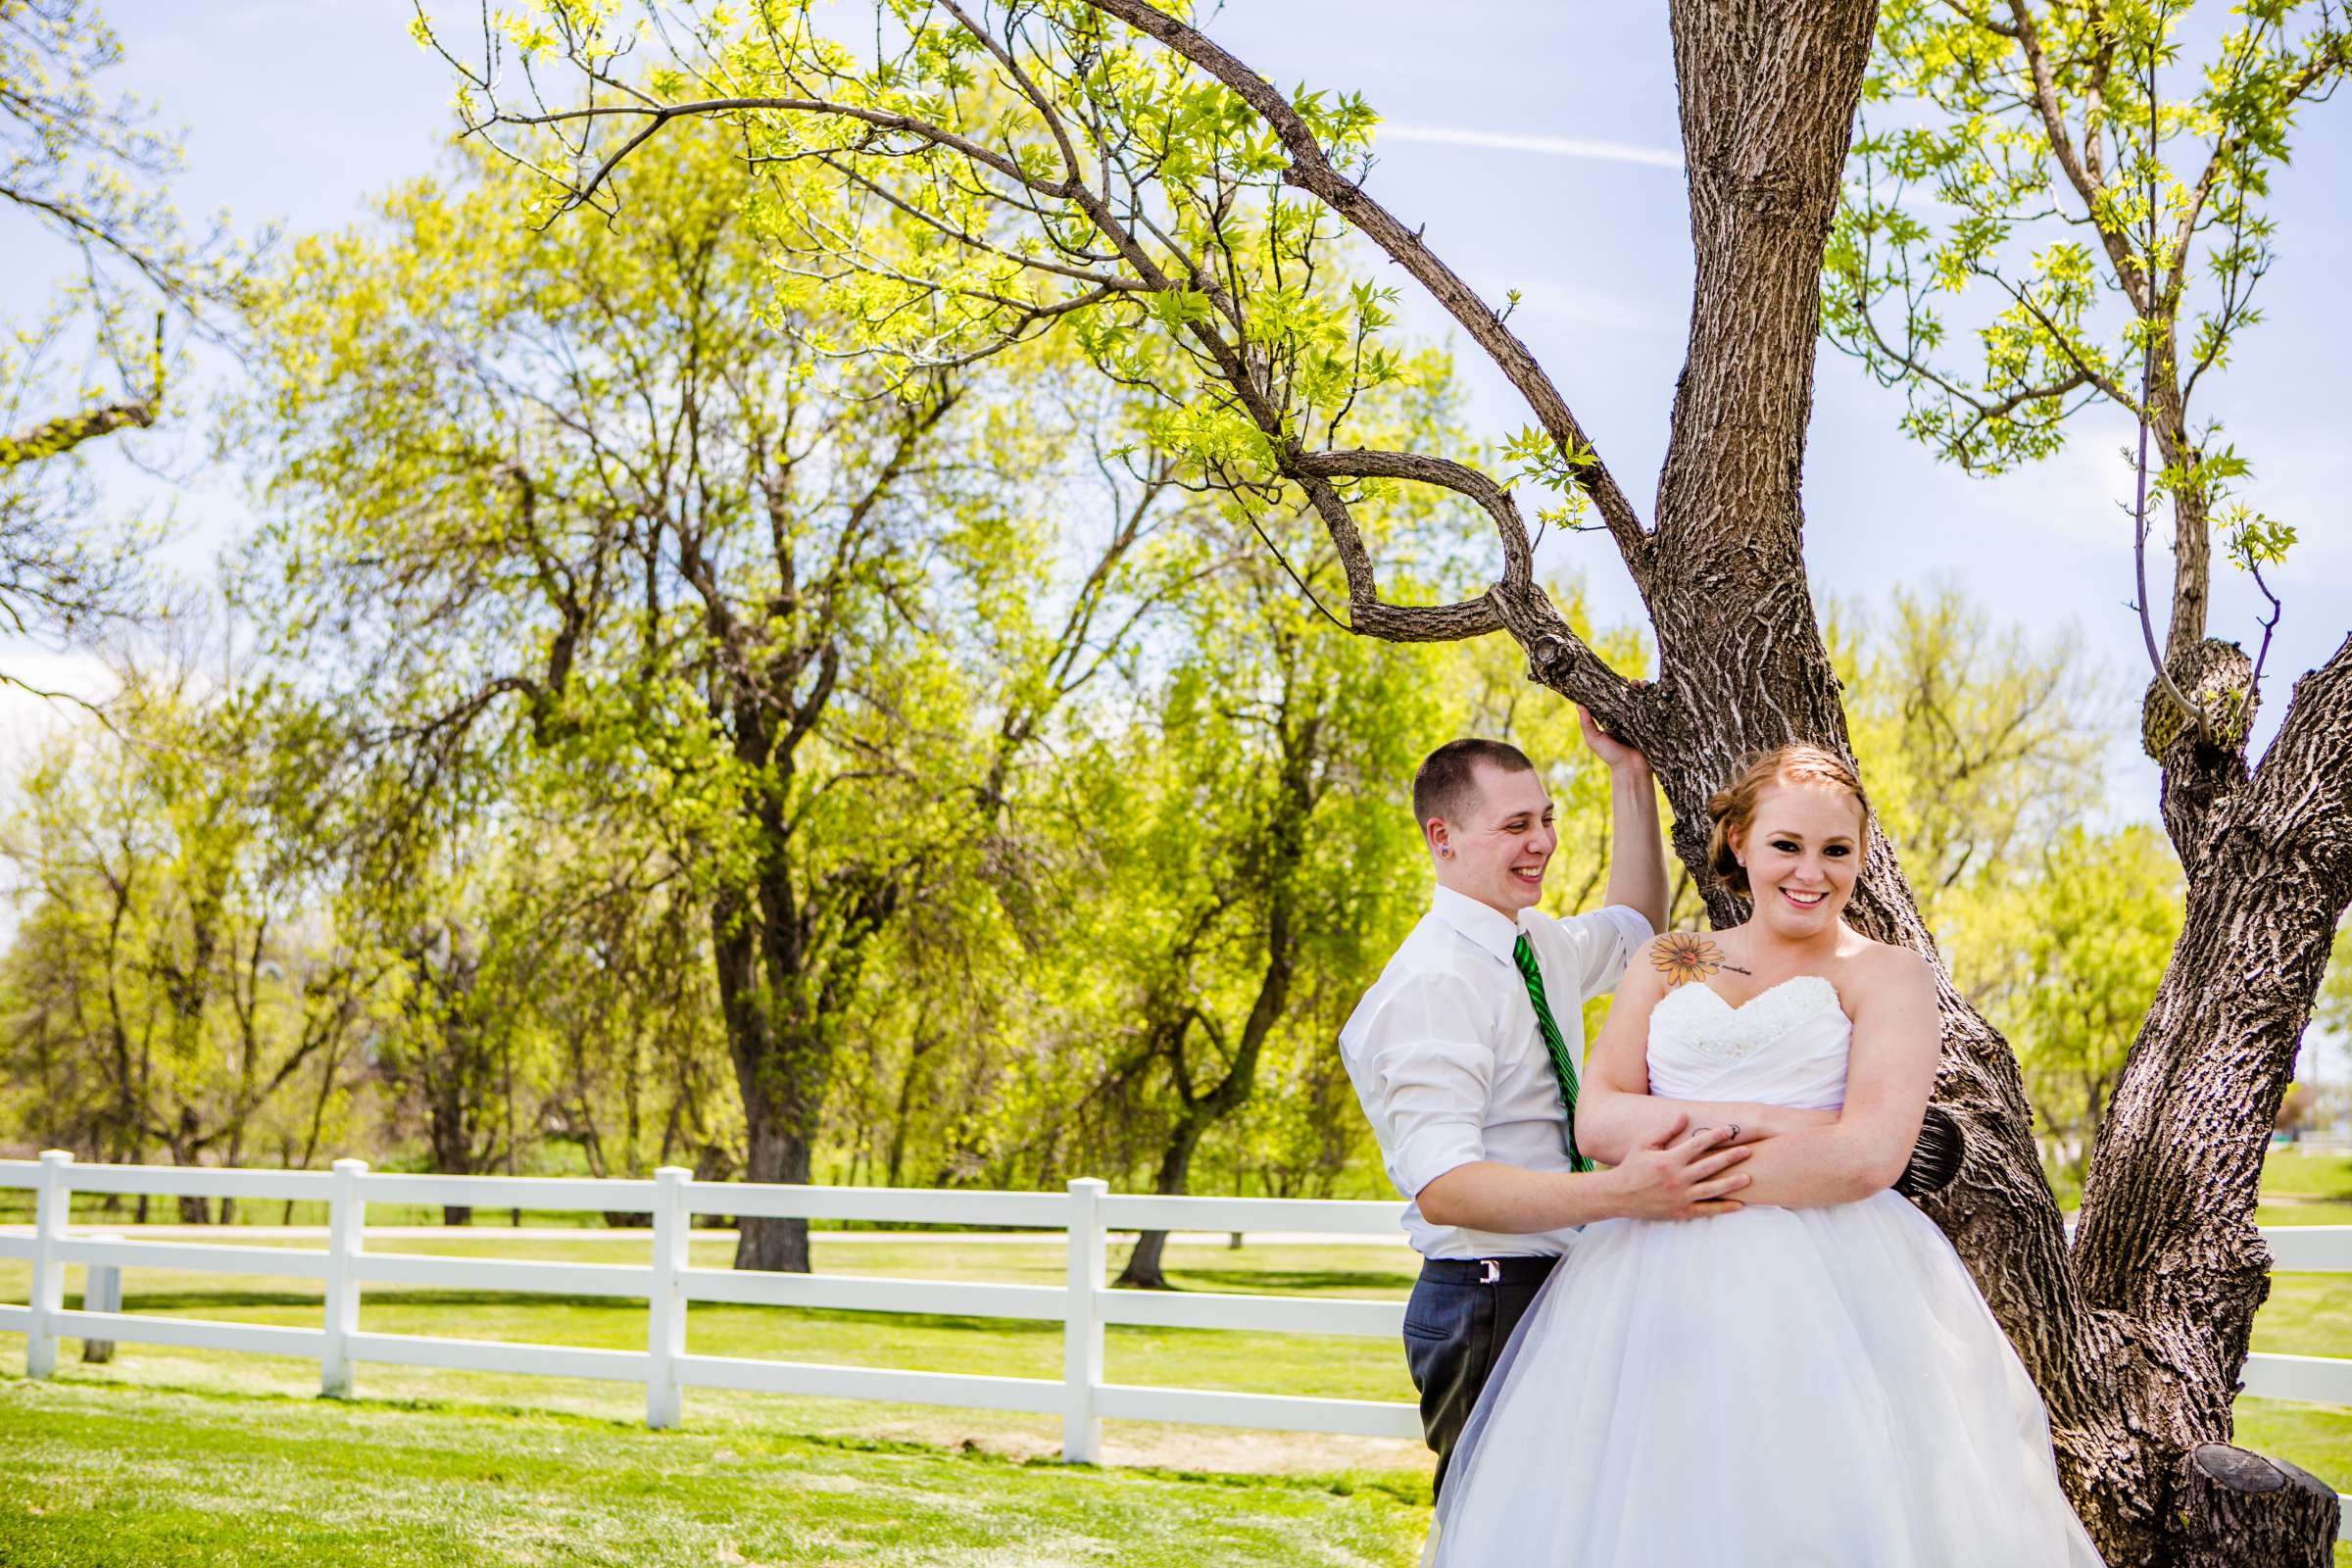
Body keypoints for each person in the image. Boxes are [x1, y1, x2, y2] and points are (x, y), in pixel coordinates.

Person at [1427, 744, 2104, 1566]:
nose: (1810, 873)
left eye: (1836, 851)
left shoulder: (1889, 974)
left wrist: (1679, 1165)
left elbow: (1866, 1155)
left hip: (1837, 1289)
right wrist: (1764, 1118)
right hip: (1641, 1284)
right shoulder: (1676, 957)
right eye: (1787, 845)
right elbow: (1600, 1121)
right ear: (1739, 843)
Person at [1338, 718, 1759, 1499]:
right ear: (1444, 837)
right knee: (1498, 1528)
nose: (1541, 843)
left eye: (1546, 820)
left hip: (1561, 1278)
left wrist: (1630, 775)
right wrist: (1623, 1194)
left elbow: (1636, 924)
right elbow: (1447, 1185)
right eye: (1514, 826)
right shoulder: (1434, 984)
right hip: (1486, 1298)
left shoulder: (1533, 942)